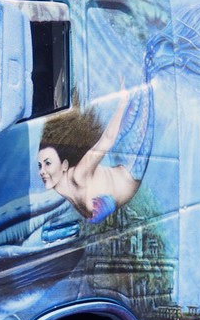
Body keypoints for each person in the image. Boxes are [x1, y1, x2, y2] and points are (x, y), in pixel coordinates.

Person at [37, 85, 141, 224]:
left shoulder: (78, 175)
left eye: (48, 163)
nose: (42, 171)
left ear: (64, 165)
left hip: (132, 170)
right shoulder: (62, 190)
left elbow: (107, 140)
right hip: (123, 170)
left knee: (141, 102)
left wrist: (122, 102)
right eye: (40, 165)